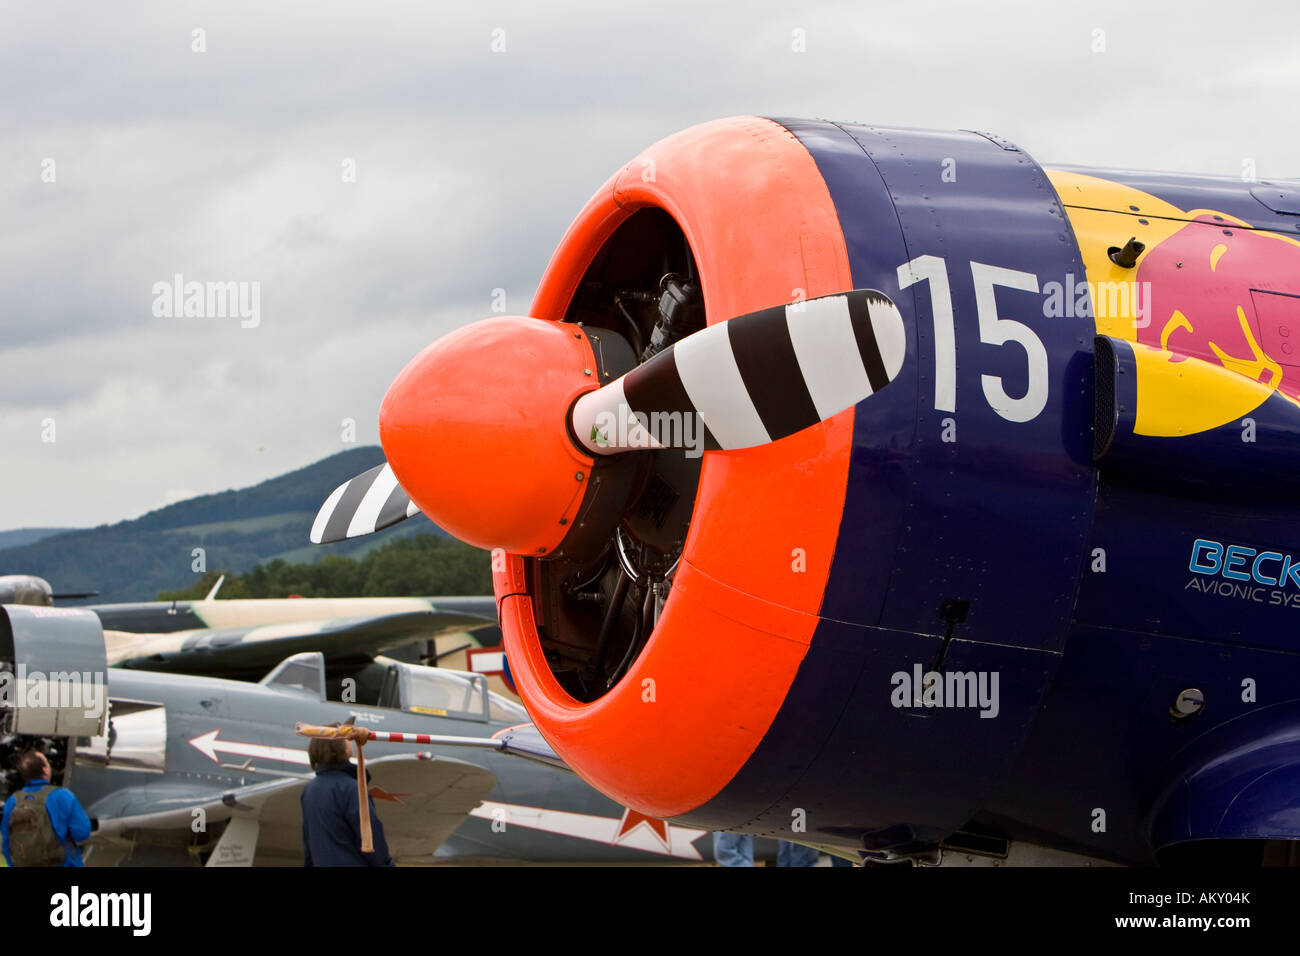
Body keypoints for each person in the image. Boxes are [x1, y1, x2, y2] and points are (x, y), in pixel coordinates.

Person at [300, 724, 393, 866]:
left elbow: (309, 843)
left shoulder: (309, 790)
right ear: (336, 747)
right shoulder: (351, 788)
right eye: (346, 737)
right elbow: (370, 839)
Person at [1, 750, 92, 867]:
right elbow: (82, 832)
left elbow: (6, 843)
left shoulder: (12, 801)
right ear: (45, 770)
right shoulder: (62, 796)